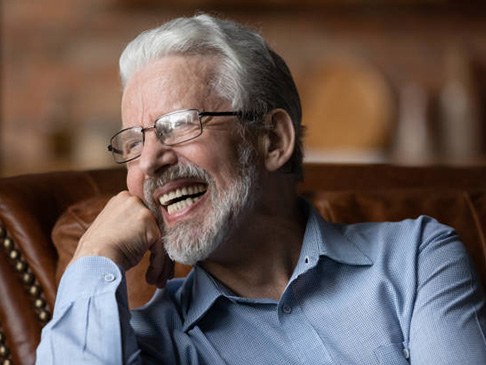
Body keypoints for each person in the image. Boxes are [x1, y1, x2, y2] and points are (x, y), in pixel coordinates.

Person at [36, 13, 486, 364]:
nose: (150, 161)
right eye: (134, 141)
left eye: (178, 126)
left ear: (273, 141)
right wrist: (95, 255)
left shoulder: (417, 260)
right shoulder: (149, 342)